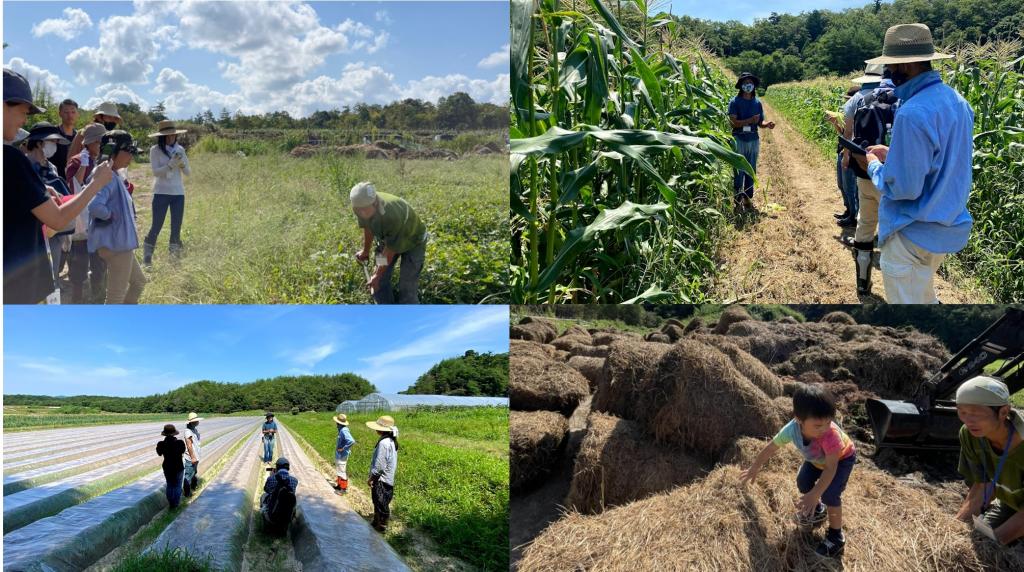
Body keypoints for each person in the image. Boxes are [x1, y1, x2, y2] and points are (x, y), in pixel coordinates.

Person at [853, 23, 973, 304]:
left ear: (907, 65)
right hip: (944, 228)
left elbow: (904, 188)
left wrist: (873, 164)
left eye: (892, 68)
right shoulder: (958, 102)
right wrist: (893, 153)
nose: (890, 75)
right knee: (924, 296)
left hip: (911, 234)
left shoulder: (912, 112)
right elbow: (940, 159)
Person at [4, 68, 113, 304]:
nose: (24, 120)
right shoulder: (11, 159)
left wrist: (40, 190)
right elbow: (57, 219)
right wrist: (96, 184)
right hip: (17, 284)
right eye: (22, 112)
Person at [739, 384, 856, 558]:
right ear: (799, 419)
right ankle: (817, 510)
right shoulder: (791, 430)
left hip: (841, 459)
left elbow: (831, 469)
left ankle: (836, 537)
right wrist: (755, 466)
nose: (824, 428)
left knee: (830, 494)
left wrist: (816, 493)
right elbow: (771, 447)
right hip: (816, 460)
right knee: (803, 482)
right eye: (817, 425)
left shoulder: (830, 435)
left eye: (828, 422)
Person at [955, 376, 1024, 546]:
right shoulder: (970, 435)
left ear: (1003, 412)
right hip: (1011, 504)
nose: (968, 421)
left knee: (993, 549)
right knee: (974, 538)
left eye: (977, 413)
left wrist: (995, 543)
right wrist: (951, 531)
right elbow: (983, 486)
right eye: (962, 412)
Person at [87, 130, 146, 304]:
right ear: (113, 151)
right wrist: (111, 215)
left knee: (139, 282)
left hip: (120, 245)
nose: (131, 156)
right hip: (117, 246)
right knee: (115, 297)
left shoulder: (108, 173)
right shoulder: (109, 177)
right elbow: (94, 206)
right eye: (127, 151)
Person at [351, 182, 428, 304]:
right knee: (380, 282)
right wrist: (365, 251)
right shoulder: (359, 206)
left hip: (414, 240)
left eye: (366, 209)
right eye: (359, 210)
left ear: (375, 202)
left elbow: (389, 251)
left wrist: (377, 275)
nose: (362, 213)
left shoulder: (391, 214)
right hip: (388, 240)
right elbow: (368, 227)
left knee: (407, 287)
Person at [24, 122, 74, 286]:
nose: (56, 146)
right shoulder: (22, 166)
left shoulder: (50, 166)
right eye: (53, 142)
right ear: (39, 143)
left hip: (54, 232)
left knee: (52, 278)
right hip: (32, 234)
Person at [65, 123, 110, 303]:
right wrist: (83, 166)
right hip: (82, 221)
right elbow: (74, 189)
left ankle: (98, 295)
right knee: (79, 262)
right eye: (99, 142)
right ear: (89, 143)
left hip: (98, 218)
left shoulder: (104, 160)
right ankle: (77, 299)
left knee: (100, 261)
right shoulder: (76, 161)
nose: (101, 146)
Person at [727, 72, 776, 214]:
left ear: (753, 85)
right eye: (745, 82)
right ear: (741, 86)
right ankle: (737, 201)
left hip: (753, 139)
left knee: (751, 170)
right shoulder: (734, 102)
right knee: (738, 171)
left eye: (750, 82)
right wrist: (749, 121)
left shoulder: (757, 103)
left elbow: (760, 122)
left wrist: (767, 124)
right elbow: (733, 123)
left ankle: (748, 198)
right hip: (739, 139)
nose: (748, 85)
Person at [144, 120, 191, 266]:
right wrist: (170, 165)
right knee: (156, 225)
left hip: (178, 193)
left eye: (172, 135)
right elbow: (155, 172)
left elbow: (188, 173)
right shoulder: (155, 150)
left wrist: (182, 164)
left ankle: (174, 258)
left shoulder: (180, 149)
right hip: (161, 192)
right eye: (167, 136)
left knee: (176, 226)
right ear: (161, 136)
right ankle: (147, 258)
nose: (170, 138)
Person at [826, 86, 861, 228]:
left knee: (850, 187)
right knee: (842, 184)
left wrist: (847, 154)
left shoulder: (861, 115)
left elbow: (851, 137)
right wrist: (835, 124)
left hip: (849, 154)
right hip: (842, 151)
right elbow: (844, 134)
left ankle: (853, 216)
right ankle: (848, 210)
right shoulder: (849, 114)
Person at [367, 415, 399, 532]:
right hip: (388, 478)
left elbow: (380, 464)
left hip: (381, 478)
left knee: (380, 502)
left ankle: (381, 526)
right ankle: (377, 521)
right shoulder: (391, 441)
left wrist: (372, 478)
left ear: (381, 429)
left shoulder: (384, 443)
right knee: (380, 501)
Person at [261, 457, 299, 532]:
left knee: (263, 496)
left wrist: (271, 475)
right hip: (287, 515)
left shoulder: (271, 478)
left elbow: (266, 489)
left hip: (272, 514)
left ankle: (266, 524)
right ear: (288, 467)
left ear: (277, 467)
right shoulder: (295, 480)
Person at [156, 423, 187, 509]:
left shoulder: (161, 444)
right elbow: (183, 451)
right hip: (178, 466)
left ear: (165, 433)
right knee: (177, 485)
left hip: (167, 467)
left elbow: (159, 453)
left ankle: (171, 504)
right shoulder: (180, 442)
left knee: (170, 485)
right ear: (174, 433)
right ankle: (176, 504)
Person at [51, 99, 79, 180]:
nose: (70, 115)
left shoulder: (79, 136)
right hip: (55, 180)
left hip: (74, 181)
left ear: (77, 114)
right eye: (66, 112)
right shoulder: (53, 133)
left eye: (73, 112)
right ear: (60, 114)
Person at [333, 413, 356, 495]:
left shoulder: (344, 430)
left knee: (342, 470)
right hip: (340, 454)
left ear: (339, 423)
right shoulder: (341, 429)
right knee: (339, 469)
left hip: (342, 454)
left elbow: (351, 441)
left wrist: (343, 448)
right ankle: (339, 485)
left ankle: (343, 488)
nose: (336, 424)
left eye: (337, 422)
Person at [182, 412, 202, 497]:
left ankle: (193, 488)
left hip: (196, 457)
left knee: (194, 473)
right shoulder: (188, 431)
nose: (198, 422)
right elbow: (189, 445)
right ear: (192, 422)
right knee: (188, 475)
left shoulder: (194, 430)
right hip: (191, 458)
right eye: (196, 421)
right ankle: (187, 494)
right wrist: (193, 457)